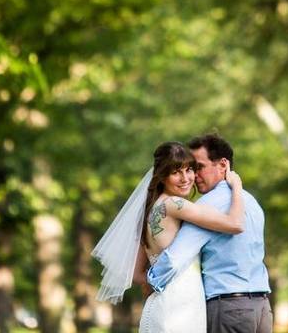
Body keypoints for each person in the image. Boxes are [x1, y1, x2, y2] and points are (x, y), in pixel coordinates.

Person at [92, 141, 245, 333]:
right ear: (162, 176)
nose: (185, 178)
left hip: (164, 305)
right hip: (179, 308)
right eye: (175, 172)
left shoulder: (152, 207)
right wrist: (237, 186)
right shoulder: (174, 205)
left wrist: (153, 282)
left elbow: (135, 272)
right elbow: (236, 224)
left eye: (189, 170)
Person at [147, 134, 272, 333]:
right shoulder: (251, 202)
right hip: (262, 307)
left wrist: (153, 280)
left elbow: (175, 257)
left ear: (223, 165)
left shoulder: (207, 204)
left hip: (229, 309)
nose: (193, 176)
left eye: (198, 167)